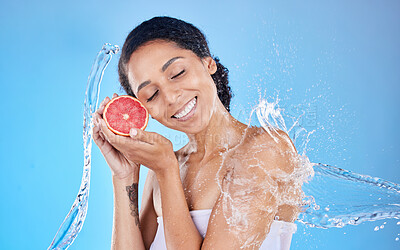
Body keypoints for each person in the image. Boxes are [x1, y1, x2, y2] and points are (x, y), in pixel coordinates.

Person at [92, 16, 302, 250]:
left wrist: (167, 170)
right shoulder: (164, 168)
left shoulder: (266, 149)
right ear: (145, 110)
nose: (171, 97)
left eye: (177, 73)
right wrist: (124, 176)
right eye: (152, 95)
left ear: (208, 62)